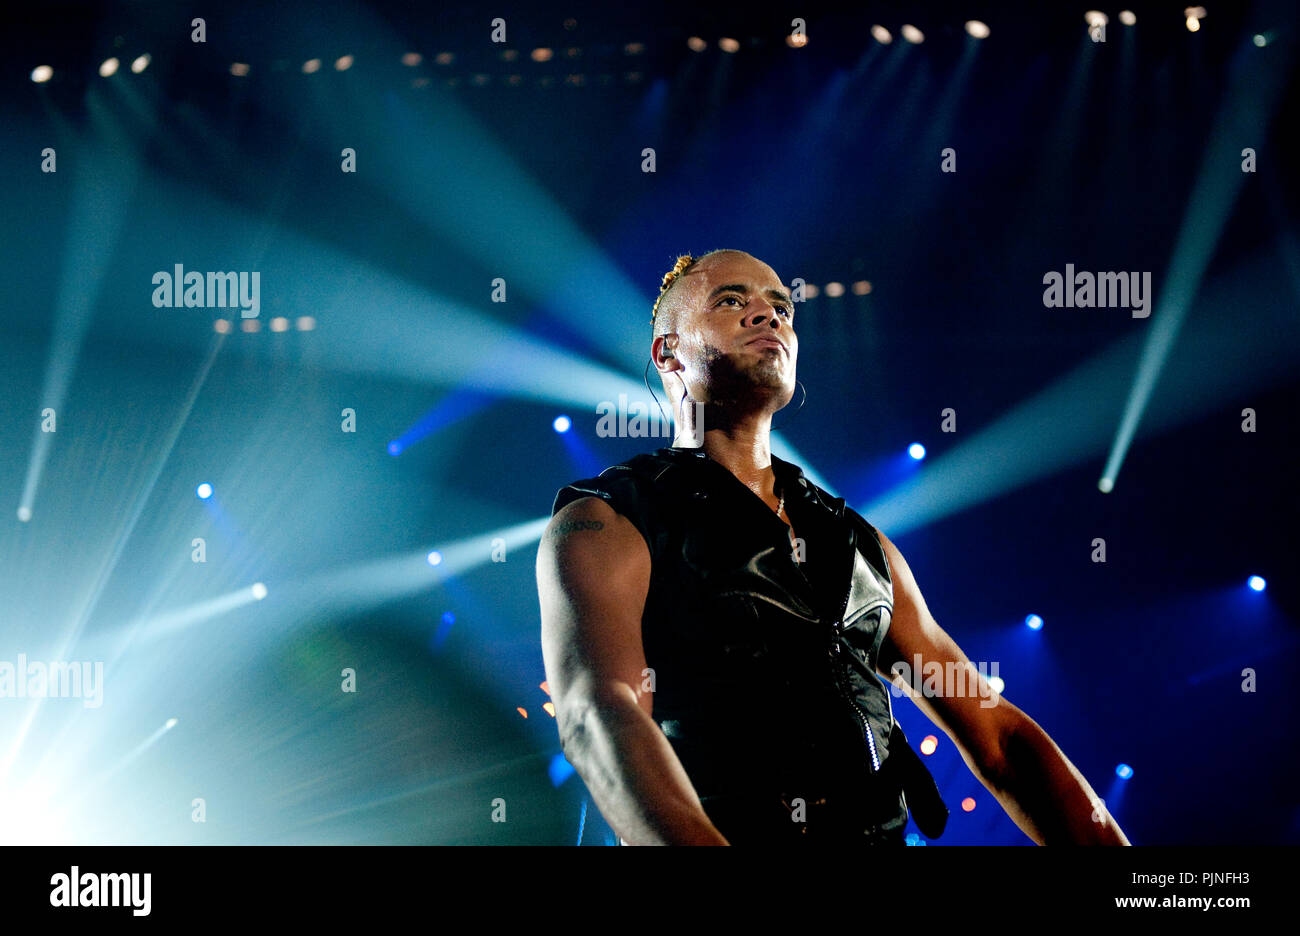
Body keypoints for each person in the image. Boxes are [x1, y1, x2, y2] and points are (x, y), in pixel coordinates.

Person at [536, 249, 1130, 846]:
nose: (768, 316)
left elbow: (999, 738)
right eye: (732, 301)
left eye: (781, 307)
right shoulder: (609, 520)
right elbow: (598, 713)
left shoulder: (860, 542)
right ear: (668, 351)